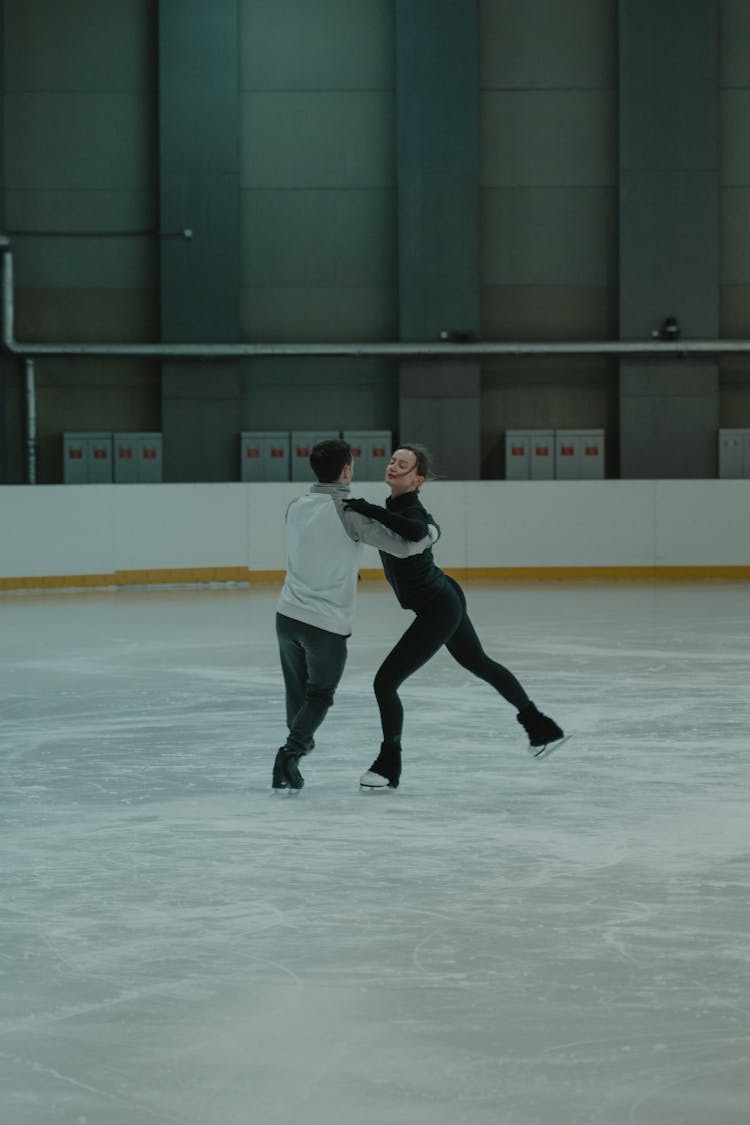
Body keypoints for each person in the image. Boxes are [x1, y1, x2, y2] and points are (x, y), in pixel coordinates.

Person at [343, 444, 567, 789]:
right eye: (392, 461)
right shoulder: (396, 506)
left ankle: (388, 766)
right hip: (442, 596)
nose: (392, 467)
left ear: (417, 480)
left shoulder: (411, 509)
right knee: (480, 663)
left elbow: (417, 530)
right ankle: (541, 727)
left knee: (385, 682)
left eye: (402, 466)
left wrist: (368, 509)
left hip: (438, 607)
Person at [273, 439, 437, 791]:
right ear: (346, 470)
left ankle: (297, 742)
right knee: (319, 694)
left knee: (297, 691)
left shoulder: (296, 506)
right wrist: (433, 532)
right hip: (325, 625)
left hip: (286, 616)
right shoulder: (350, 512)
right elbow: (407, 546)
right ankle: (291, 752)